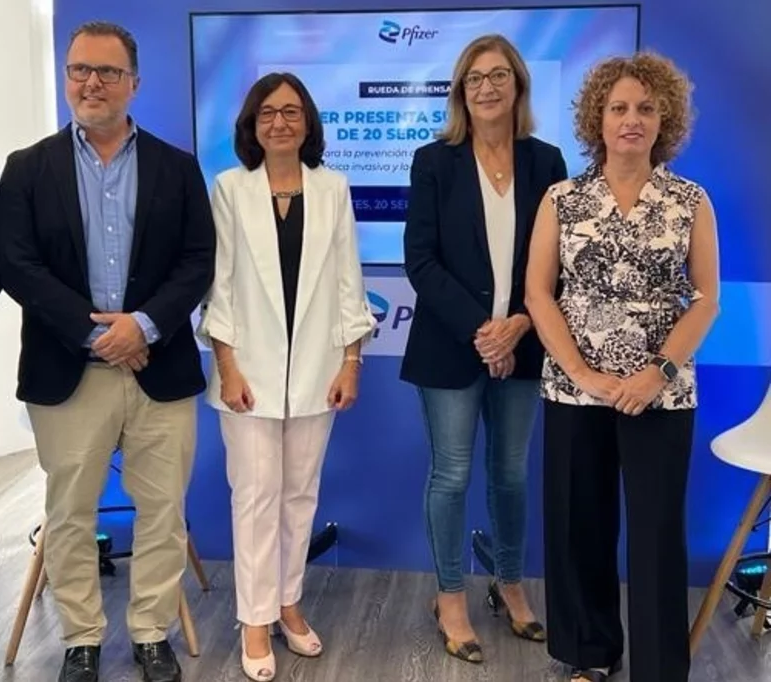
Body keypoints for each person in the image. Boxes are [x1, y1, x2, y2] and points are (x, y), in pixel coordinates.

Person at [0, 21, 215, 682]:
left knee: (163, 512)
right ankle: (81, 639)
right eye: (79, 70)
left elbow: (198, 260)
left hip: (159, 368)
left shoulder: (177, 167)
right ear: (67, 77)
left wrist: (142, 326)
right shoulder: (28, 168)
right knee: (68, 516)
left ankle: (151, 632)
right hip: (68, 372)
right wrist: (100, 334)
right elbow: (18, 265)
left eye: (108, 72)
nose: (92, 83)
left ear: (134, 84)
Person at [525, 52, 719, 682]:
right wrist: (583, 374)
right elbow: (538, 295)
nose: (631, 120)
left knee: (657, 535)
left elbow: (706, 299)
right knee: (581, 525)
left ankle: (660, 670)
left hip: (660, 393)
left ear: (665, 119)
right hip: (575, 389)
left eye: (645, 108)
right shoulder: (563, 199)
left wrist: (656, 373)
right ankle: (589, 655)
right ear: (596, 119)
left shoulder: (690, 201)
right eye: (618, 108)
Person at [197, 72, 375, 681]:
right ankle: (254, 619)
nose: (280, 122)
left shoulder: (333, 188)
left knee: (300, 495)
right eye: (268, 113)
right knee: (255, 498)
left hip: (318, 372)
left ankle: (288, 603)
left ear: (308, 123)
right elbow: (217, 286)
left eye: (292, 112)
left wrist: (351, 362)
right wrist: (225, 365)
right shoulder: (228, 189)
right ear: (252, 124)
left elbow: (350, 283)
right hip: (247, 371)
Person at [400, 34, 567, 663]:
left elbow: (557, 262)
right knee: (452, 475)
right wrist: (483, 329)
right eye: (475, 77)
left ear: (518, 85)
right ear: (460, 91)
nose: (487, 87)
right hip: (450, 346)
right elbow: (421, 259)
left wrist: (519, 325)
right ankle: (449, 596)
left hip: (525, 347)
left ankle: (511, 586)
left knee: (511, 475)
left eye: (499, 75)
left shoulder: (546, 161)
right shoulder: (433, 161)